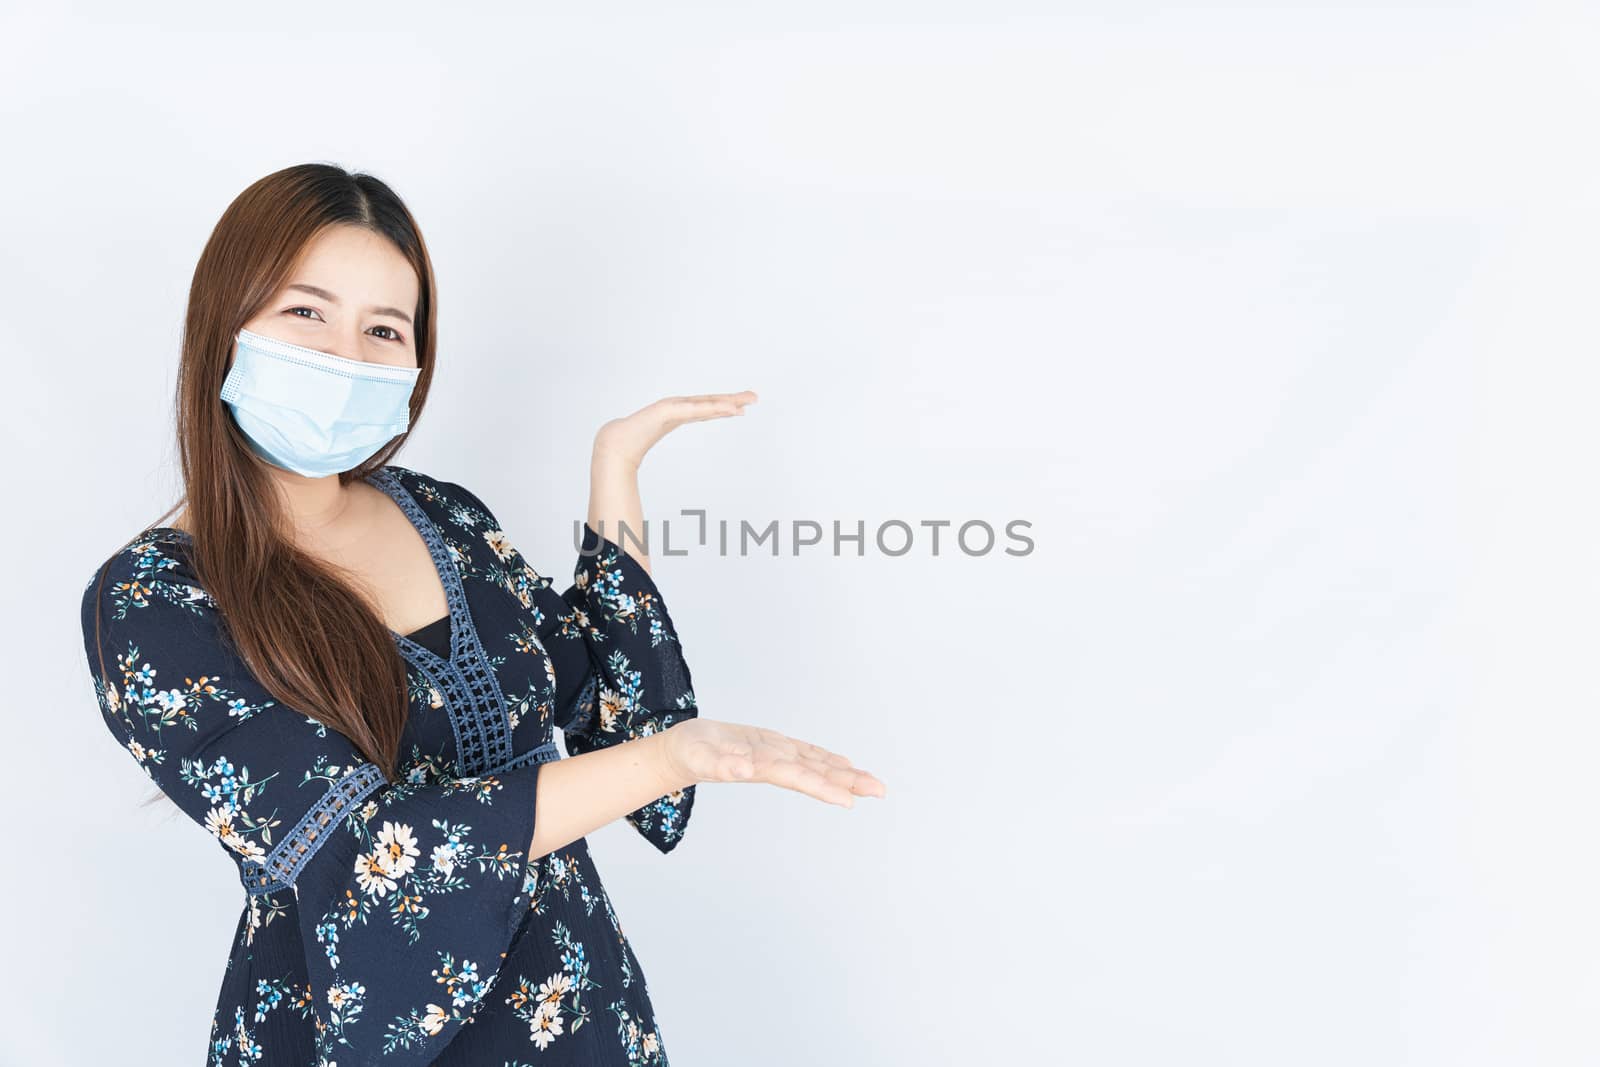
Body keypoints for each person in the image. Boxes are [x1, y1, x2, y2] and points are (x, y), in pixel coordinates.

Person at [79, 162, 887, 1067]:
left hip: (579, 1013)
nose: (348, 355)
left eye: (385, 328)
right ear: (225, 321)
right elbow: (373, 848)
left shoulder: (446, 516)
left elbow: (604, 697)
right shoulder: (153, 602)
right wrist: (675, 755)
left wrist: (615, 468)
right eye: (306, 312)